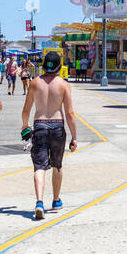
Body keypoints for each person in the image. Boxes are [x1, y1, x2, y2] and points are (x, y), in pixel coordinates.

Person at [21, 51, 78, 221]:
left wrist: (25, 126)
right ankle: (55, 200)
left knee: (39, 166)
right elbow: (70, 113)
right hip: (57, 126)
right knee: (57, 164)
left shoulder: (34, 83)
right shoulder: (63, 85)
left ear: (44, 65)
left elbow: (26, 111)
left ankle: (39, 202)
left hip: (39, 126)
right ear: (59, 66)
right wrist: (74, 137)